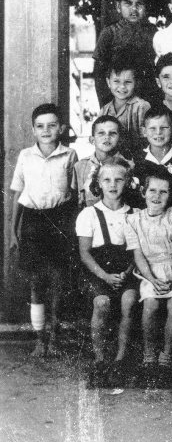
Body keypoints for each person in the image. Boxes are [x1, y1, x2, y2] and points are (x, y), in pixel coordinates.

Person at [10, 104, 78, 357]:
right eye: (40, 126)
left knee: (59, 283)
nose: (46, 130)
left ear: (61, 128)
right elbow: (17, 195)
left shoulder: (70, 155)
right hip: (32, 222)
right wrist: (13, 231)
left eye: (52, 125)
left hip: (60, 220)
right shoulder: (26, 156)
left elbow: (74, 195)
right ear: (33, 130)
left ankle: (55, 340)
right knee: (37, 283)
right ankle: (40, 339)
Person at [124, 166, 172, 388]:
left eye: (163, 192)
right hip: (149, 272)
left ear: (170, 195)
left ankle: (166, 357)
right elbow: (139, 256)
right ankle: (149, 356)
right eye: (152, 190)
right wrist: (152, 280)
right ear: (143, 192)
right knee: (150, 304)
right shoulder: (133, 220)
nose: (157, 196)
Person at [76, 160, 138, 388]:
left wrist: (126, 272)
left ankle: (120, 361)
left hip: (127, 272)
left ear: (128, 183)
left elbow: (138, 252)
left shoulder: (135, 214)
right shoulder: (89, 214)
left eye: (119, 179)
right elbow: (84, 253)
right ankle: (100, 360)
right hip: (98, 272)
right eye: (107, 180)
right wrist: (105, 276)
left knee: (129, 301)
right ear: (98, 183)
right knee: (101, 302)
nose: (113, 185)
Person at [93, 0, 158, 104]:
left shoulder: (153, 32)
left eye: (139, 4)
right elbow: (99, 73)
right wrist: (105, 102)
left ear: (145, 7)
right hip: (119, 96)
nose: (134, 9)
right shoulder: (109, 33)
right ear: (118, 6)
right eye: (128, 4)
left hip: (147, 96)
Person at [132, 106, 172, 208]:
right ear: (144, 131)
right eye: (152, 128)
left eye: (164, 128)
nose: (158, 132)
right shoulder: (137, 159)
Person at [99, 55, 151, 157]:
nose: (122, 87)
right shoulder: (104, 110)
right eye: (116, 81)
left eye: (128, 82)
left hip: (137, 160)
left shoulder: (141, 107)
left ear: (136, 83)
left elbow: (148, 141)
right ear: (108, 82)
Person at [75, 115, 131, 208]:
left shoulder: (128, 166)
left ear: (120, 139)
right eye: (101, 133)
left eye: (112, 133)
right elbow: (79, 201)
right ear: (92, 140)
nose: (107, 137)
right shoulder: (80, 166)